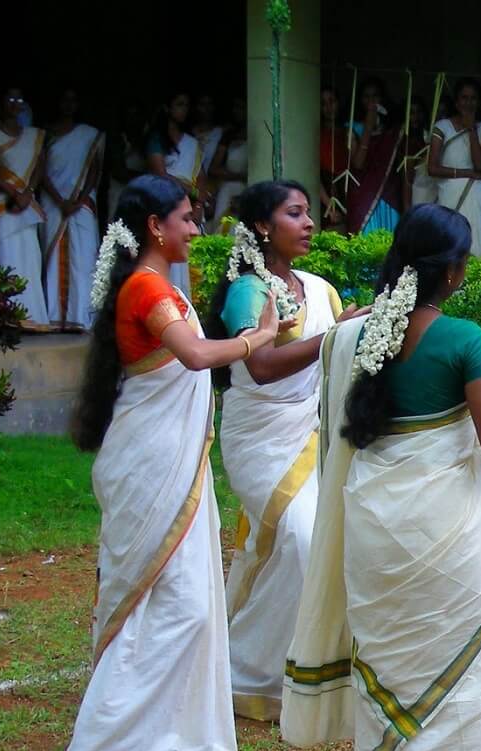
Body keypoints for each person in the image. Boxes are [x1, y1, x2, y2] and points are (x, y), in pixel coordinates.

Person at [281, 204, 481, 751]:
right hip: (450, 535)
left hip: (373, 532)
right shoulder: (464, 339)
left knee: (392, 662)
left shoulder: (353, 337)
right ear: (455, 271)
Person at [61, 175, 282, 751]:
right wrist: (257, 339)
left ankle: (173, 742)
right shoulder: (145, 286)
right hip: (152, 461)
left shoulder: (157, 286)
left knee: (187, 603)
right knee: (175, 603)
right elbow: (196, 357)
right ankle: (107, 746)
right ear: (156, 226)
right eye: (186, 218)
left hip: (169, 461)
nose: (194, 228)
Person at [208, 181, 348, 722]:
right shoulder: (249, 290)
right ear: (264, 227)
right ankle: (248, 672)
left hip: (312, 430)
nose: (309, 222)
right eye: (295, 213)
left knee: (309, 545)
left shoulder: (320, 288)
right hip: (260, 435)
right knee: (299, 538)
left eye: (309, 212)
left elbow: (332, 360)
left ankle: (298, 667)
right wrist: (338, 337)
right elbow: (260, 370)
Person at [40, 89, 103, 330]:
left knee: (83, 256)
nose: (69, 104)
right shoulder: (46, 134)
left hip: (82, 204)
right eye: (64, 99)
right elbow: (41, 171)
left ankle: (80, 317)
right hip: (53, 202)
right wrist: (59, 200)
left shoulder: (89, 135)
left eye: (73, 99)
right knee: (53, 254)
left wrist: (79, 199)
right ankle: (54, 317)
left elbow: (94, 171)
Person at [0, 86, 48, 328]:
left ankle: (30, 317)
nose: (15, 103)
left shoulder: (33, 135)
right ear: (1, 103)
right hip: (0, 203)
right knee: (3, 251)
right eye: (9, 98)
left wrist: (27, 193)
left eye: (19, 98)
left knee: (29, 256)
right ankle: (1, 318)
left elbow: (40, 167)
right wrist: (14, 193)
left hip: (26, 204)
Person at [429, 79, 481, 257]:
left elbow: (479, 165)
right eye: (464, 98)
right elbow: (432, 168)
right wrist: (466, 173)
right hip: (449, 195)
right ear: (456, 101)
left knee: (478, 245)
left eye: (473, 98)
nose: (468, 103)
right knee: (449, 245)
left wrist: (472, 130)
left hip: (477, 195)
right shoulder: (442, 127)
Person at [145, 91, 205, 296]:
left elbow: (201, 177)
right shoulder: (156, 139)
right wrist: (187, 191)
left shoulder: (191, 142)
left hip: (190, 206)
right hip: (166, 203)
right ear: (167, 108)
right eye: (179, 104)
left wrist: (198, 206)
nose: (184, 110)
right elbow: (159, 173)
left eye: (186, 105)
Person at [346, 79, 403, 236]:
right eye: (366, 96)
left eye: (375, 96)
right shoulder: (353, 128)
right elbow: (357, 163)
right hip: (363, 196)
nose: (371, 101)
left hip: (388, 195)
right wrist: (368, 128)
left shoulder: (393, 132)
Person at [208, 97, 248, 231]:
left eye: (241, 107)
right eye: (235, 108)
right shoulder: (229, 135)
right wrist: (240, 177)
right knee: (221, 228)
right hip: (228, 190)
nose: (237, 111)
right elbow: (214, 168)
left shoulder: (258, 136)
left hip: (249, 190)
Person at [318, 86, 349, 232]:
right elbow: (314, 173)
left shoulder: (349, 131)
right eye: (323, 103)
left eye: (332, 101)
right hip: (325, 189)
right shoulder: (317, 133)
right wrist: (328, 203)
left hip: (348, 188)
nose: (328, 107)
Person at [403, 96, 437, 210]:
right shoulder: (403, 141)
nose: (415, 117)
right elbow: (407, 180)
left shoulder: (429, 136)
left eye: (419, 112)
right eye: (411, 112)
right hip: (417, 196)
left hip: (434, 193)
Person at [191, 94, 224, 178]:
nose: (207, 108)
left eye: (210, 104)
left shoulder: (220, 133)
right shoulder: (187, 134)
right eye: (202, 104)